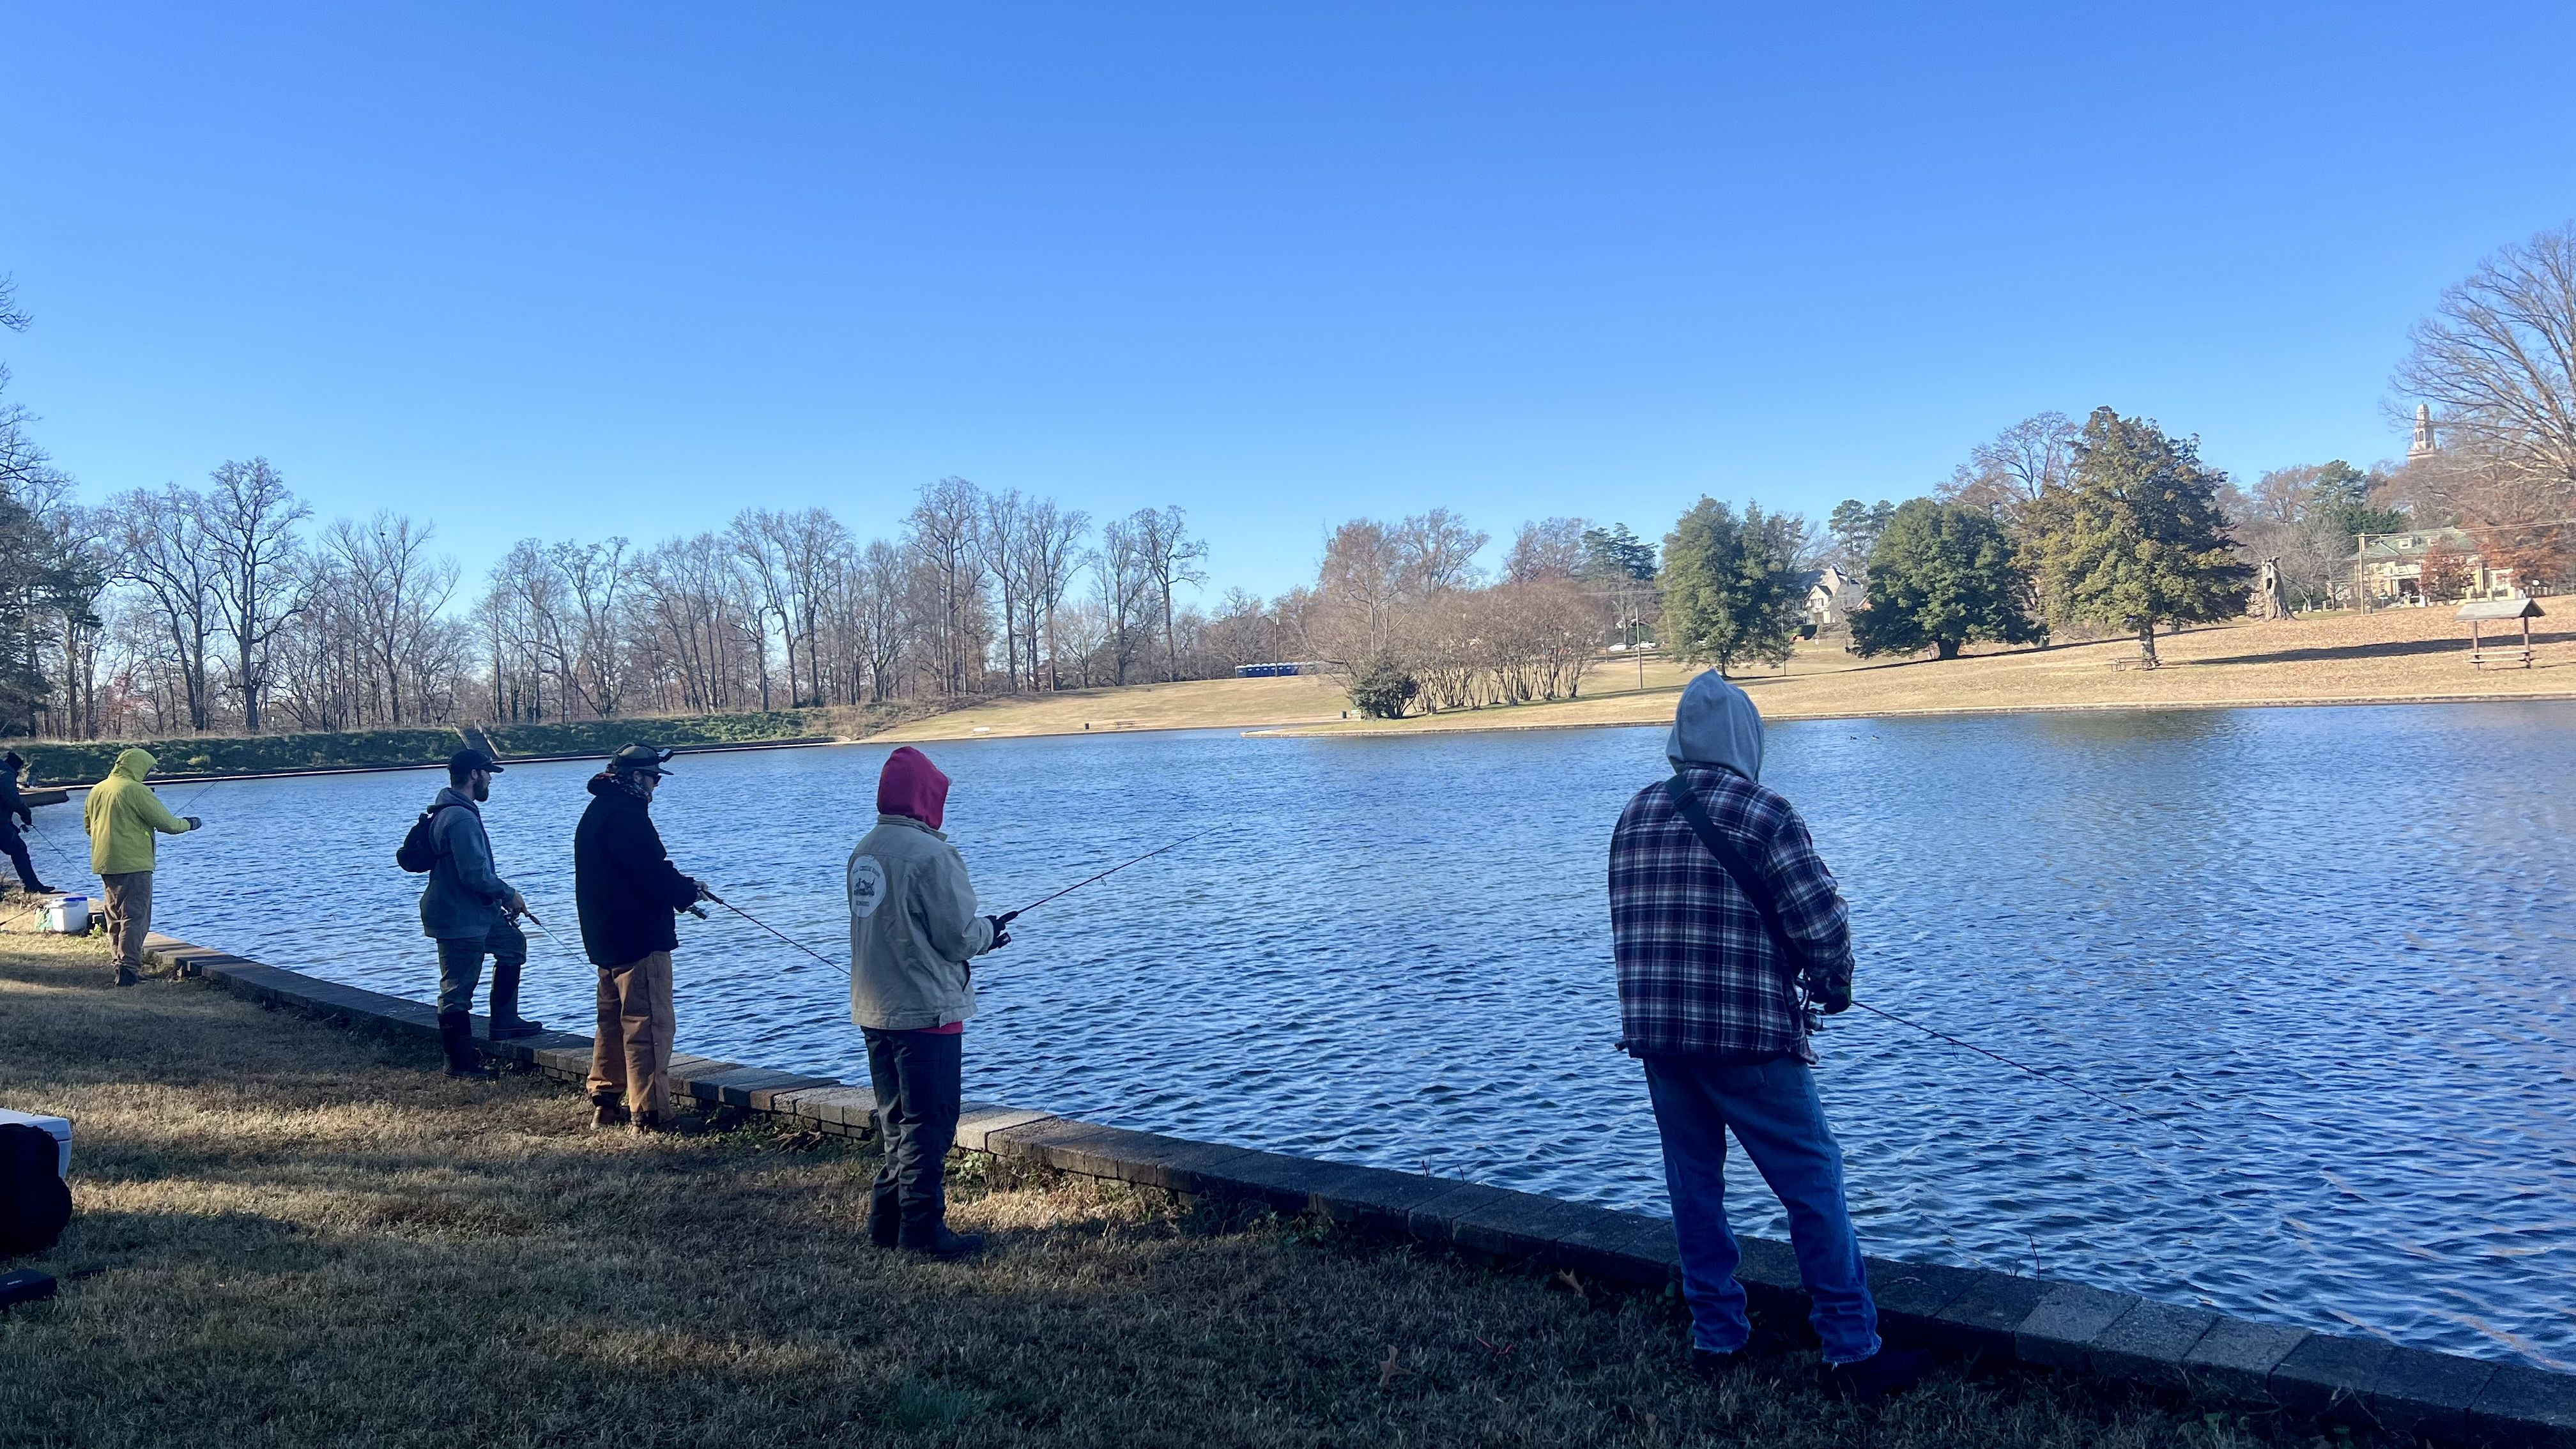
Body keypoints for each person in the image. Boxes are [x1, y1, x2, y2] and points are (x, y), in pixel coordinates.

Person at [1608, 672, 1929, 1403]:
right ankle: (1851, 1349)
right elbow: (1822, 926)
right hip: (1749, 1041)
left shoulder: (1634, 813)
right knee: (1813, 1183)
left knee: (1695, 1187)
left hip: (1658, 1039)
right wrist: (1835, 984)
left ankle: (1717, 1337)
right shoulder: (1766, 812)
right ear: (1746, 739)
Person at [847, 746, 1014, 1258]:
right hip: (927, 1009)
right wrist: (991, 933)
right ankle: (922, 1230)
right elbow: (957, 938)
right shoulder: (932, 855)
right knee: (931, 1121)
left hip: (875, 1006)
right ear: (926, 797)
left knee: (895, 1118)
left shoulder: (864, 851)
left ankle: (886, 1219)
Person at [573, 744, 708, 1133]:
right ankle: (651, 1116)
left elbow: (634, 873)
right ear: (636, 778)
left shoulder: (598, 811)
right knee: (648, 1024)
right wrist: (684, 891)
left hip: (604, 937)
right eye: (653, 778)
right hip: (638, 938)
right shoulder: (627, 815)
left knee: (612, 1023)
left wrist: (679, 887)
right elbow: (650, 873)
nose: (656, 786)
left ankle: (606, 1104)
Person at [417, 746, 540, 1082]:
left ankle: (505, 1022)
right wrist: (508, 894)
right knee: (457, 990)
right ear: (474, 775)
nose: (490, 780)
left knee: (512, 945)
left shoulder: (454, 811)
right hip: (458, 916)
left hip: (475, 911)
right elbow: (474, 874)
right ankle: (458, 1064)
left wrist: (498, 899)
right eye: (487, 774)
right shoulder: (459, 817)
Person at [80, 749, 203, 988]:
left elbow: (89, 828)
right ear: (139, 767)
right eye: (148, 770)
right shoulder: (135, 790)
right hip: (134, 863)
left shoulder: (98, 789)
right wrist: (190, 824)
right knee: (136, 917)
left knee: (114, 916)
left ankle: (120, 965)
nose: (148, 775)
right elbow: (168, 824)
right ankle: (128, 971)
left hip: (106, 862)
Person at [0, 753, 53, 896]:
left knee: (17, 847)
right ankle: (31, 886)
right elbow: (13, 799)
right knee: (19, 849)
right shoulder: (6, 773)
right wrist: (26, 815)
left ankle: (32, 885)